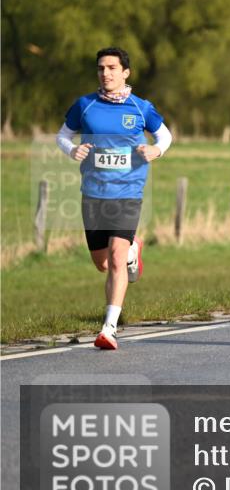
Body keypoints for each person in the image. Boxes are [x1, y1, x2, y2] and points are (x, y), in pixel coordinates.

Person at [56, 47, 172, 350]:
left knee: (116, 259)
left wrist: (155, 150)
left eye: (111, 68)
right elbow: (62, 135)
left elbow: (165, 136)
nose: (105, 73)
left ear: (125, 73)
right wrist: (72, 150)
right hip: (93, 192)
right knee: (103, 263)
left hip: (128, 191)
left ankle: (109, 328)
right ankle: (134, 249)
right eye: (100, 68)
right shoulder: (85, 105)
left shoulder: (140, 107)